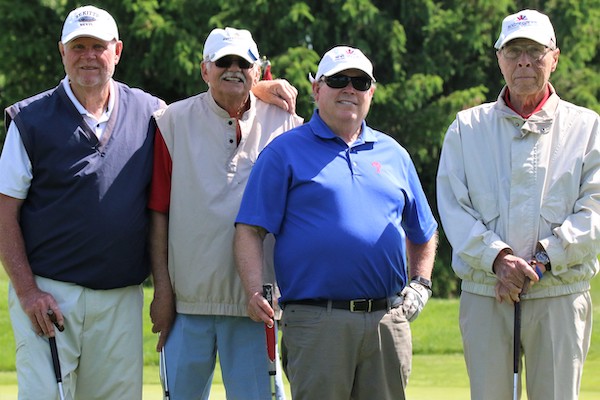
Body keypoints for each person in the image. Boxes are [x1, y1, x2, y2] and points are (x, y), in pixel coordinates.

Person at [0, 6, 297, 399]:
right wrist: (26, 292)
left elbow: (222, 95)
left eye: (98, 46)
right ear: (62, 51)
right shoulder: (31, 119)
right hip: (50, 295)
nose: (89, 56)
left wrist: (255, 90)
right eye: (79, 46)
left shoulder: (148, 110)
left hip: (122, 298)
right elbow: (4, 212)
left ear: (117, 51)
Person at [234, 46, 439, 400]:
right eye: (338, 80)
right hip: (315, 321)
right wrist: (254, 290)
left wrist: (421, 283)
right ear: (317, 89)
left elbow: (423, 231)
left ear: (371, 92)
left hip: (386, 321)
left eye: (360, 82)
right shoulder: (284, 152)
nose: (349, 89)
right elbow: (250, 230)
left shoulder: (394, 154)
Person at [436, 9, 600, 400]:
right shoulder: (466, 127)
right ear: (499, 59)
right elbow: (454, 208)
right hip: (486, 292)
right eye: (513, 51)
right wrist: (497, 258)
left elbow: (595, 210)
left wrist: (543, 259)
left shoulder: (587, 127)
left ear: (554, 57)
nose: (523, 61)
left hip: (559, 292)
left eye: (534, 51)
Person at [148, 27, 303, 400]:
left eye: (243, 63)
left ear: (256, 71)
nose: (233, 69)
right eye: (223, 62)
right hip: (187, 305)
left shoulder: (287, 123)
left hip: (257, 305)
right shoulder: (171, 121)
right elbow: (158, 213)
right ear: (205, 70)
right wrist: (162, 291)